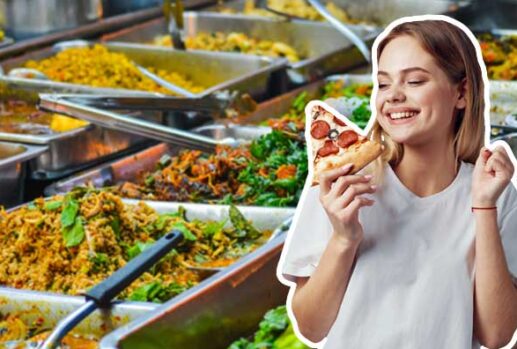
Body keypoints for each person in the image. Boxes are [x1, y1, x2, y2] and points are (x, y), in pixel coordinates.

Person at [278, 16, 517, 349]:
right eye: (384, 83)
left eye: (415, 81)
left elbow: (497, 335)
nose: (392, 97)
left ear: (461, 92)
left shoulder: (495, 194)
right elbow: (312, 327)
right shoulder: (341, 183)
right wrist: (344, 239)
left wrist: (484, 206)